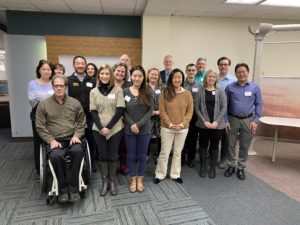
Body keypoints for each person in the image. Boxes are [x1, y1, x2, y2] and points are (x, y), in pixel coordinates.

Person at [35, 74, 86, 203]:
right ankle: (62, 190)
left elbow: (81, 122)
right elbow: (40, 126)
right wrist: (51, 140)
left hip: (72, 138)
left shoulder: (75, 103)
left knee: (78, 152)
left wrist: (76, 135)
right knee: (56, 156)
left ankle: (74, 189)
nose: (59, 88)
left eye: (61, 86)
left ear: (66, 87)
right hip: (55, 140)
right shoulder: (44, 105)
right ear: (52, 87)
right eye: (56, 86)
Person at [90, 64, 125, 196]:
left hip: (115, 129)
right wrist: (101, 128)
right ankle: (105, 181)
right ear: (99, 75)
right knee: (103, 156)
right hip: (98, 129)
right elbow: (93, 112)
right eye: (102, 73)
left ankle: (113, 181)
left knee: (112, 155)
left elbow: (120, 110)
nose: (104, 76)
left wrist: (108, 127)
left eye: (107, 74)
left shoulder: (118, 90)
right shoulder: (93, 92)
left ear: (111, 75)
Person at [154, 69, 193, 184]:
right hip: (167, 128)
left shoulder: (187, 94)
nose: (177, 80)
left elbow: (190, 112)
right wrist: (170, 124)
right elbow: (162, 111)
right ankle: (160, 174)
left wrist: (182, 124)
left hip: (182, 129)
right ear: (171, 79)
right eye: (175, 77)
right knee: (164, 152)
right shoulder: (164, 93)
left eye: (179, 77)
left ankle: (175, 174)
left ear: (182, 79)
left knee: (177, 153)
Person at [224, 63, 262, 180]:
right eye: (239, 72)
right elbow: (225, 105)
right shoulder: (230, 88)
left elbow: (259, 104)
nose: (241, 74)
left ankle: (241, 167)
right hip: (232, 119)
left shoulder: (254, 87)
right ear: (235, 74)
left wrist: (256, 120)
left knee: (244, 145)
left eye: (243, 71)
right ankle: (231, 165)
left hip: (248, 120)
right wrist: (225, 120)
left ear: (247, 72)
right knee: (230, 144)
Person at [123, 65, 153, 193]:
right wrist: (132, 124)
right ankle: (133, 178)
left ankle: (140, 178)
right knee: (130, 155)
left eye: (140, 76)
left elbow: (150, 110)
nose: (137, 78)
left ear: (143, 77)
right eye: (134, 75)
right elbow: (123, 111)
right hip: (129, 130)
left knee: (142, 155)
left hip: (144, 129)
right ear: (131, 76)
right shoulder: (125, 91)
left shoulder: (148, 91)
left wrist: (138, 124)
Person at [195, 70, 227, 178]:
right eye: (209, 76)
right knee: (203, 146)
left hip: (217, 126)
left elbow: (224, 108)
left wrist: (216, 122)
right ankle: (203, 166)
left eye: (213, 76)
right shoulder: (200, 90)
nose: (211, 78)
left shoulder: (220, 91)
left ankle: (212, 167)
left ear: (216, 78)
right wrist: (204, 121)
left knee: (214, 146)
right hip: (203, 125)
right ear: (206, 78)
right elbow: (197, 108)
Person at [67, 56, 97, 172]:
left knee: (91, 141)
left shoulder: (92, 80)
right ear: (73, 65)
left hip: (90, 117)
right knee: (75, 141)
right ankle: (76, 163)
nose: (80, 65)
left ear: (85, 65)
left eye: (82, 63)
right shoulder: (68, 80)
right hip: (74, 118)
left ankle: (92, 162)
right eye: (77, 63)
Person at [27, 59, 54, 179]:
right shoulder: (32, 84)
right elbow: (33, 103)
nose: (46, 71)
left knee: (53, 142)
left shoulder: (55, 82)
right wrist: (50, 106)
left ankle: (54, 166)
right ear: (39, 70)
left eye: (48, 69)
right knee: (38, 144)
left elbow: (61, 100)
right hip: (38, 119)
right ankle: (39, 170)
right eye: (44, 69)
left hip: (54, 119)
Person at [217, 56, 237, 169]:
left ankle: (223, 159)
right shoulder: (214, 78)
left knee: (226, 137)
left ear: (229, 66)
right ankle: (212, 157)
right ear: (218, 66)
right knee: (214, 137)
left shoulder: (233, 80)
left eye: (225, 64)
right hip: (214, 113)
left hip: (228, 114)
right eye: (221, 64)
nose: (223, 66)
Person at [113, 63, 131, 175]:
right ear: (113, 71)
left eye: (123, 72)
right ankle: (111, 167)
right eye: (118, 71)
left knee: (124, 145)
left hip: (126, 119)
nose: (120, 73)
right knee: (112, 145)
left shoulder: (129, 85)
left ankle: (124, 165)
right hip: (111, 120)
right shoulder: (109, 84)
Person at [182, 63, 201, 168]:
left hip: (194, 116)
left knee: (193, 138)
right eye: (189, 70)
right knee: (182, 137)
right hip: (182, 115)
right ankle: (182, 158)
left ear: (196, 71)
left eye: (193, 70)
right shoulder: (181, 84)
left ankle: (191, 158)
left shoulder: (200, 85)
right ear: (186, 71)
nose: (191, 72)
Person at [146, 68, 166, 162]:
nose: (154, 76)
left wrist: (160, 111)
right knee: (147, 136)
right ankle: (146, 155)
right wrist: (150, 112)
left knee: (160, 137)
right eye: (152, 74)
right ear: (148, 75)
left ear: (159, 77)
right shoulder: (144, 87)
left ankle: (159, 156)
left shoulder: (163, 87)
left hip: (160, 116)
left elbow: (168, 101)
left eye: (156, 75)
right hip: (147, 117)